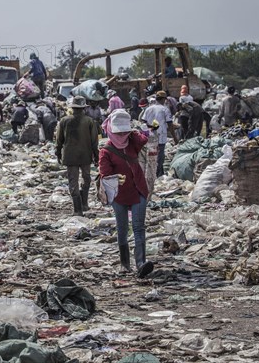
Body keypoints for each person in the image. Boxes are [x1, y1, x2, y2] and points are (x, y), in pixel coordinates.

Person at [99, 110, 154, 277]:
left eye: (125, 131)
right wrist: (115, 177)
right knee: (122, 228)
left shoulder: (132, 142)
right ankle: (124, 264)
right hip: (118, 195)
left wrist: (134, 132)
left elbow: (145, 139)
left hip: (138, 190)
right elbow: (104, 174)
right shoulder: (106, 151)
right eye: (119, 131)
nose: (122, 135)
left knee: (138, 227)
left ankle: (140, 263)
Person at [55, 96, 99, 216]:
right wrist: (97, 157)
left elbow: (59, 140)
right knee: (86, 179)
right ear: (84, 108)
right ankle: (84, 204)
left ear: (72, 108)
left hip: (70, 156)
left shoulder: (64, 121)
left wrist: (58, 153)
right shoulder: (90, 121)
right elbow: (94, 142)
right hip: (85, 155)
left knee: (73, 181)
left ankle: (77, 209)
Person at [142, 91, 175, 177]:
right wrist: (175, 138)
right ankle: (157, 174)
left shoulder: (148, 109)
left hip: (149, 137)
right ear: (164, 99)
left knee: (151, 156)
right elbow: (170, 124)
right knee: (160, 157)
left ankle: (156, 173)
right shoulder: (164, 109)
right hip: (160, 137)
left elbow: (143, 122)